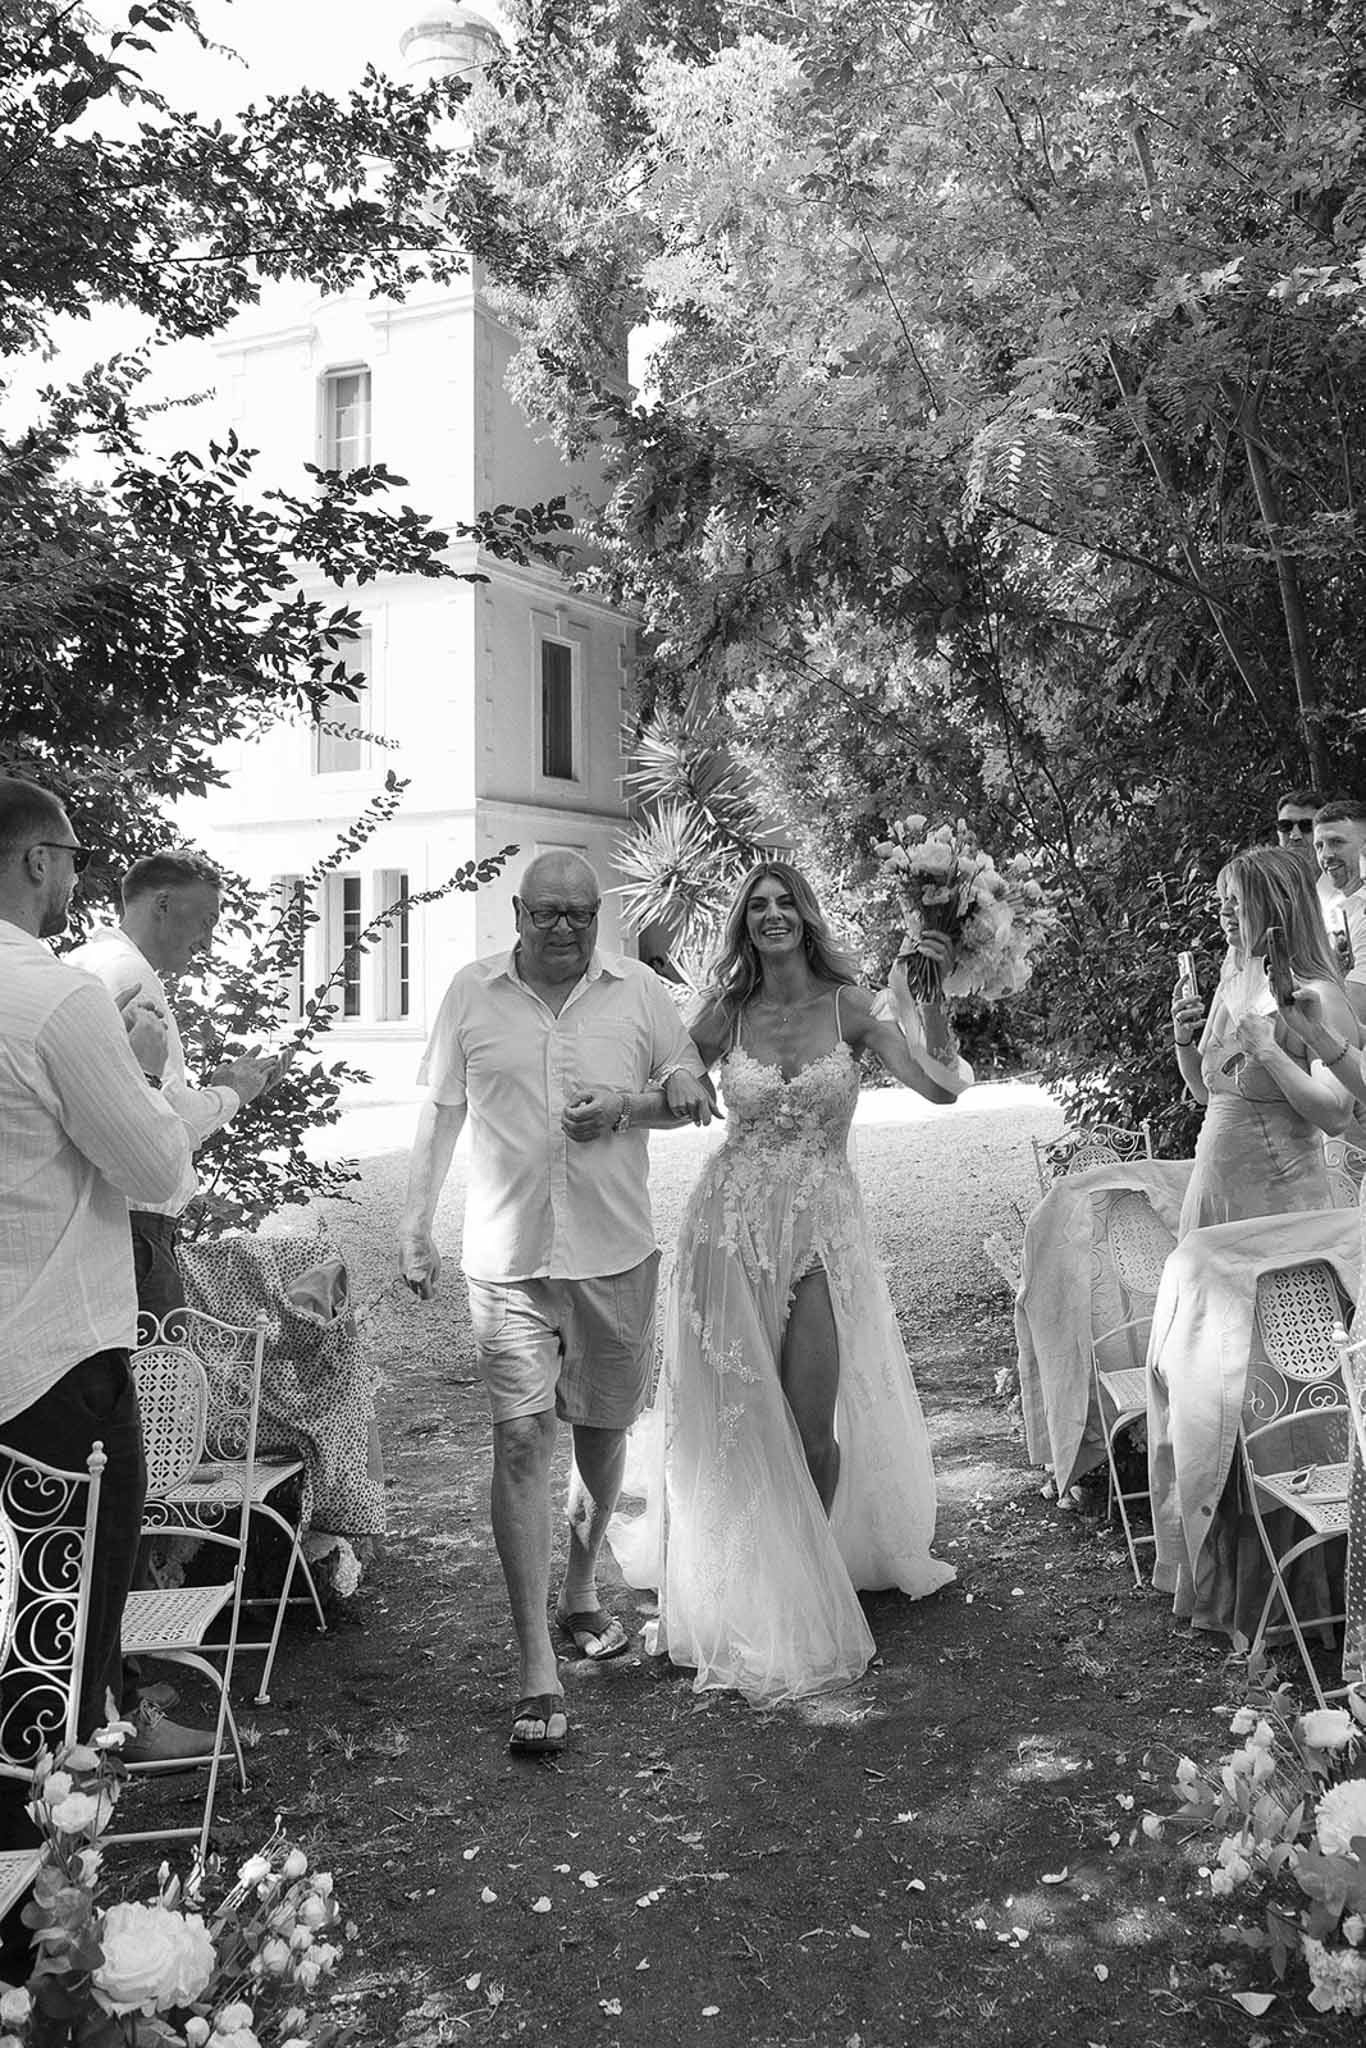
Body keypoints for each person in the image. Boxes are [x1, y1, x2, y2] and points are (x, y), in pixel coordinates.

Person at [607, 861, 967, 1707]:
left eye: (783, 904)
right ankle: (749, 1583)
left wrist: (934, 998)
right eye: (756, 906)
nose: (771, 916)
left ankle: (814, 1583)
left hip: (819, 1233)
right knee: (733, 1425)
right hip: (727, 1230)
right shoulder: (727, 1013)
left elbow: (939, 1087)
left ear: (805, 918)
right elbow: (677, 1090)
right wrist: (628, 1104)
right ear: (747, 925)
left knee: (810, 1424)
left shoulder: (850, 1008)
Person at [398, 851, 711, 1756]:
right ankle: (534, 1659)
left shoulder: (642, 992)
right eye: (551, 913)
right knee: (522, 1435)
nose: (568, 928)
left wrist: (627, 1105)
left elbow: (688, 1091)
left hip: (615, 1254)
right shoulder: (470, 992)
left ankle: (581, 1583)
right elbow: (441, 1112)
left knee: (602, 1435)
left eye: (583, 913)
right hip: (506, 1261)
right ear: (519, 913)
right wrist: (414, 1226)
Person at [0, 778, 213, 1791]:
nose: (75, 878)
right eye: (74, 858)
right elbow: (157, 1170)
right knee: (65, 1612)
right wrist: (133, 1071)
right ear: (38, 859)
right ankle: (55, 1852)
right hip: (52, 1360)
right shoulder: (55, 996)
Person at [65, 850, 278, 1328]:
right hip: (134, 1227)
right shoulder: (128, 974)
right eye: (205, 920)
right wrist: (235, 1093)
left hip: (97, 1219)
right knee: (155, 1390)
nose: (207, 940)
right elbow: (162, 1115)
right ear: (161, 904)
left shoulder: (84, 960)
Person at [1170, 844, 1356, 1237]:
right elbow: (1207, 1094)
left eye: (1237, 902)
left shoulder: (1317, 996)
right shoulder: (1232, 984)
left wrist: (1269, 1052)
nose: (1223, 913)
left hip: (1279, 1216)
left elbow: (1336, 1114)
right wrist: (1183, 1042)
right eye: (1223, 901)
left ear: (1276, 907)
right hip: (1211, 1206)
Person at [1313, 800, 1366, 1015]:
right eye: (1319, 846)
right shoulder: (1334, 905)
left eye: (1337, 842)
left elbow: (1358, 1006)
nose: (1325, 855)